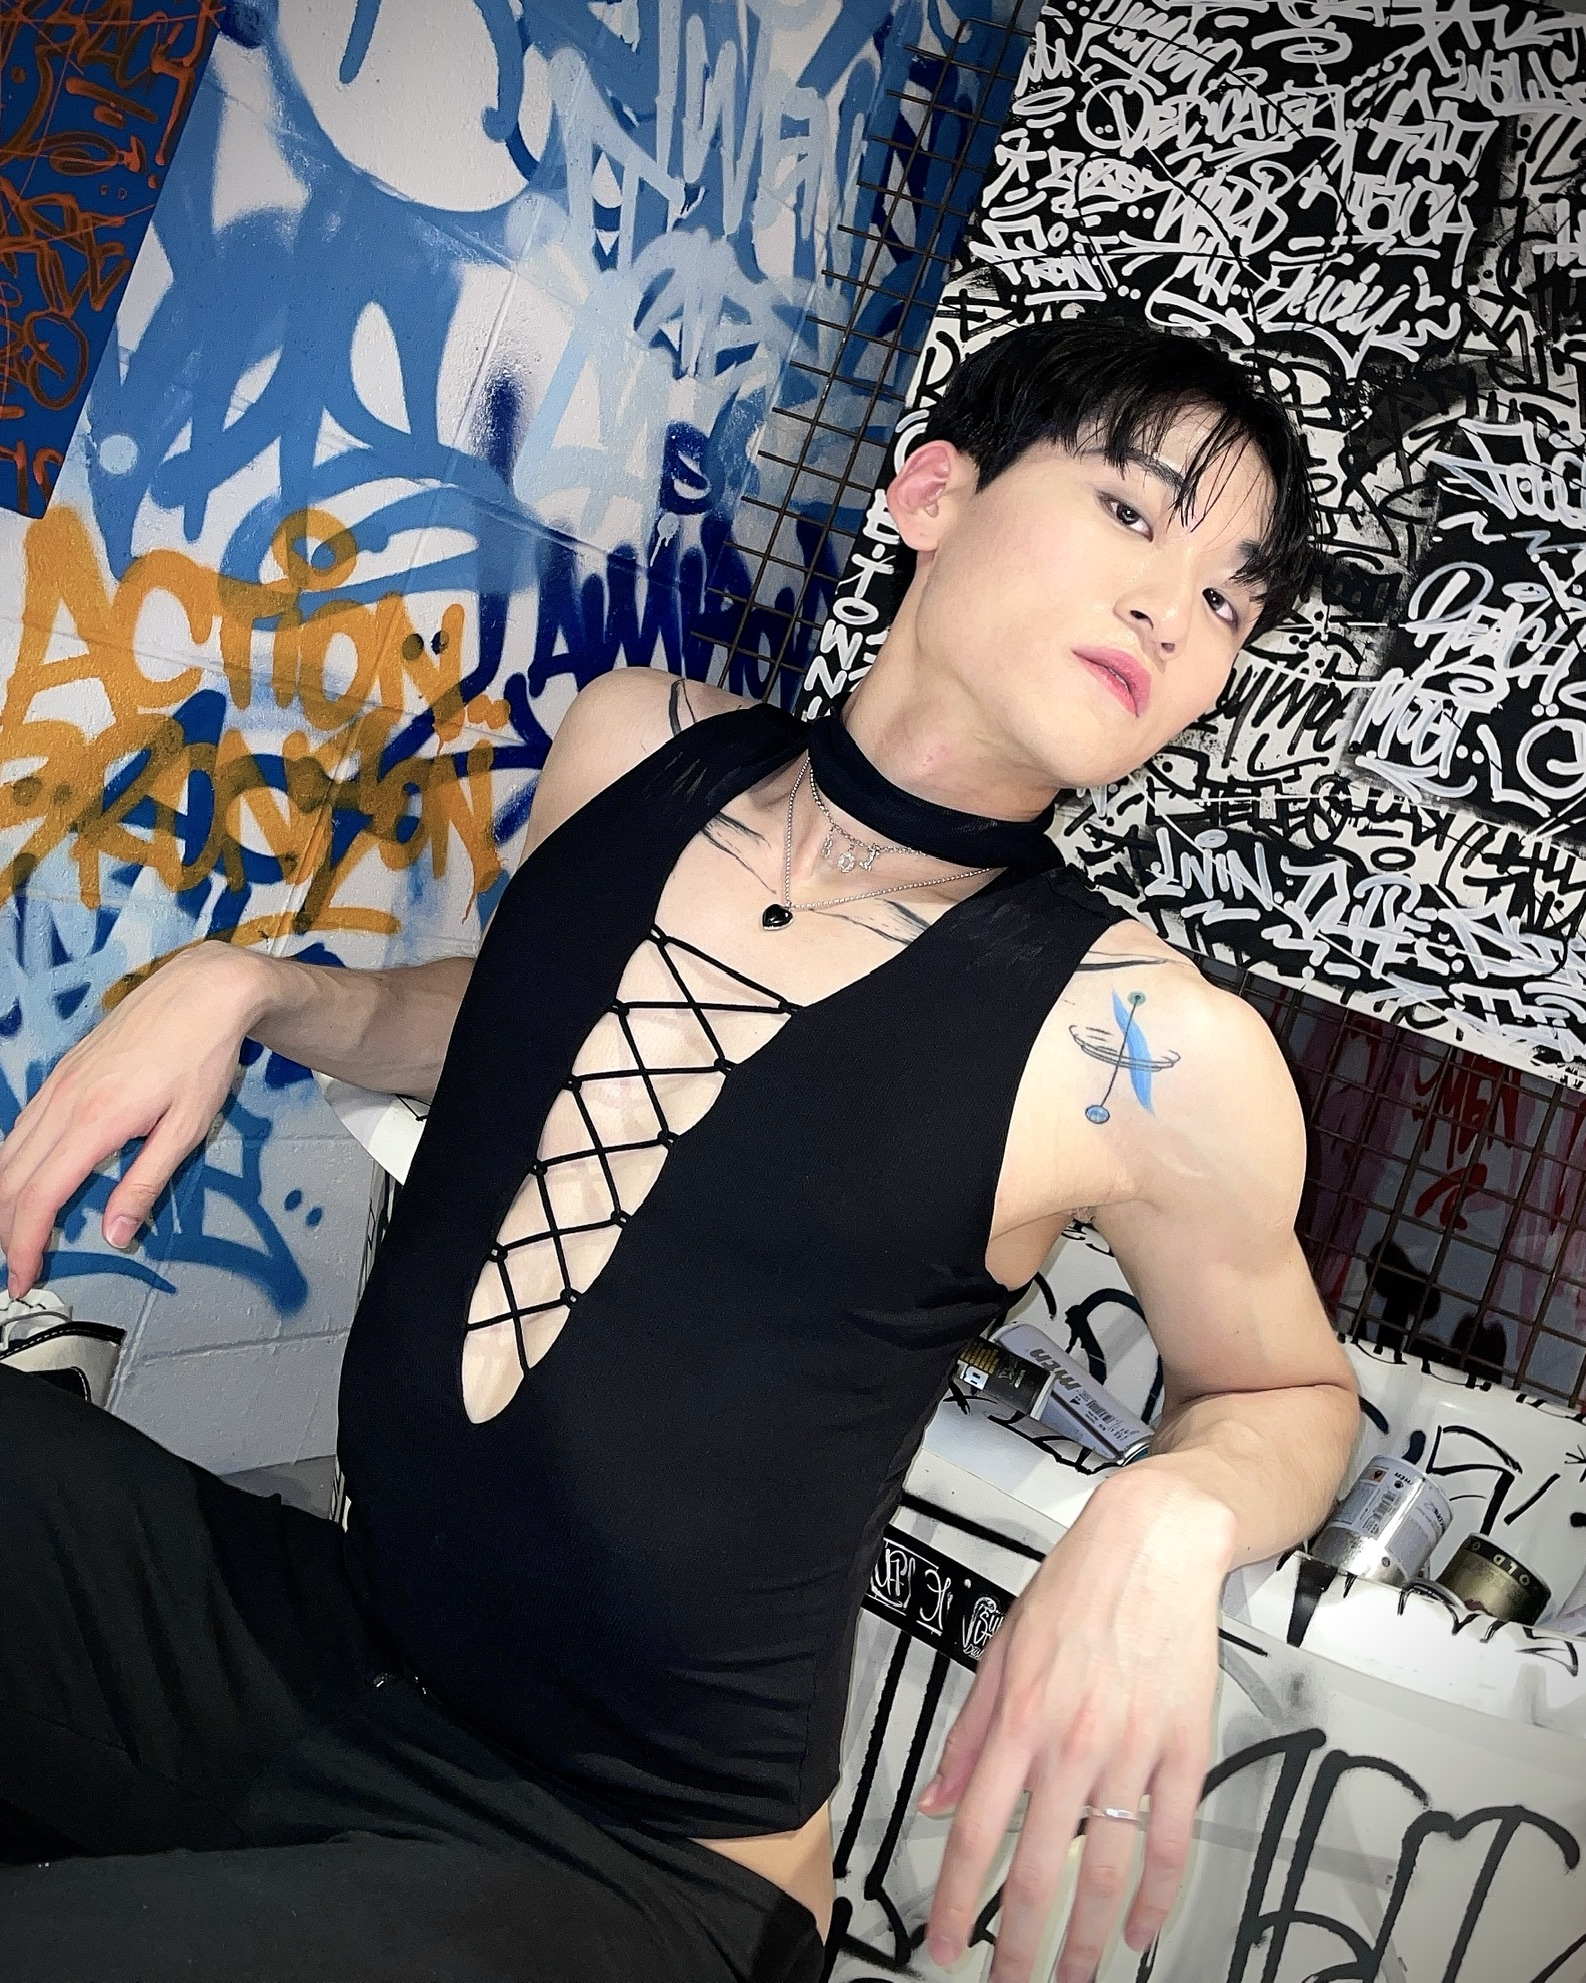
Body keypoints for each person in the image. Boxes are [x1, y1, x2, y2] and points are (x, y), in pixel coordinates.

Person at [0, 319, 1358, 1983]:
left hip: (631, 1864)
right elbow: (512, 1016)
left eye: (1227, 599)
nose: (1173, 609)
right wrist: (253, 985)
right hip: (336, 1649)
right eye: (1133, 513)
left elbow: (1287, 1391)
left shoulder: (1145, 1048)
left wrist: (1168, 1510)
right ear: (932, 494)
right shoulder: (637, 745)